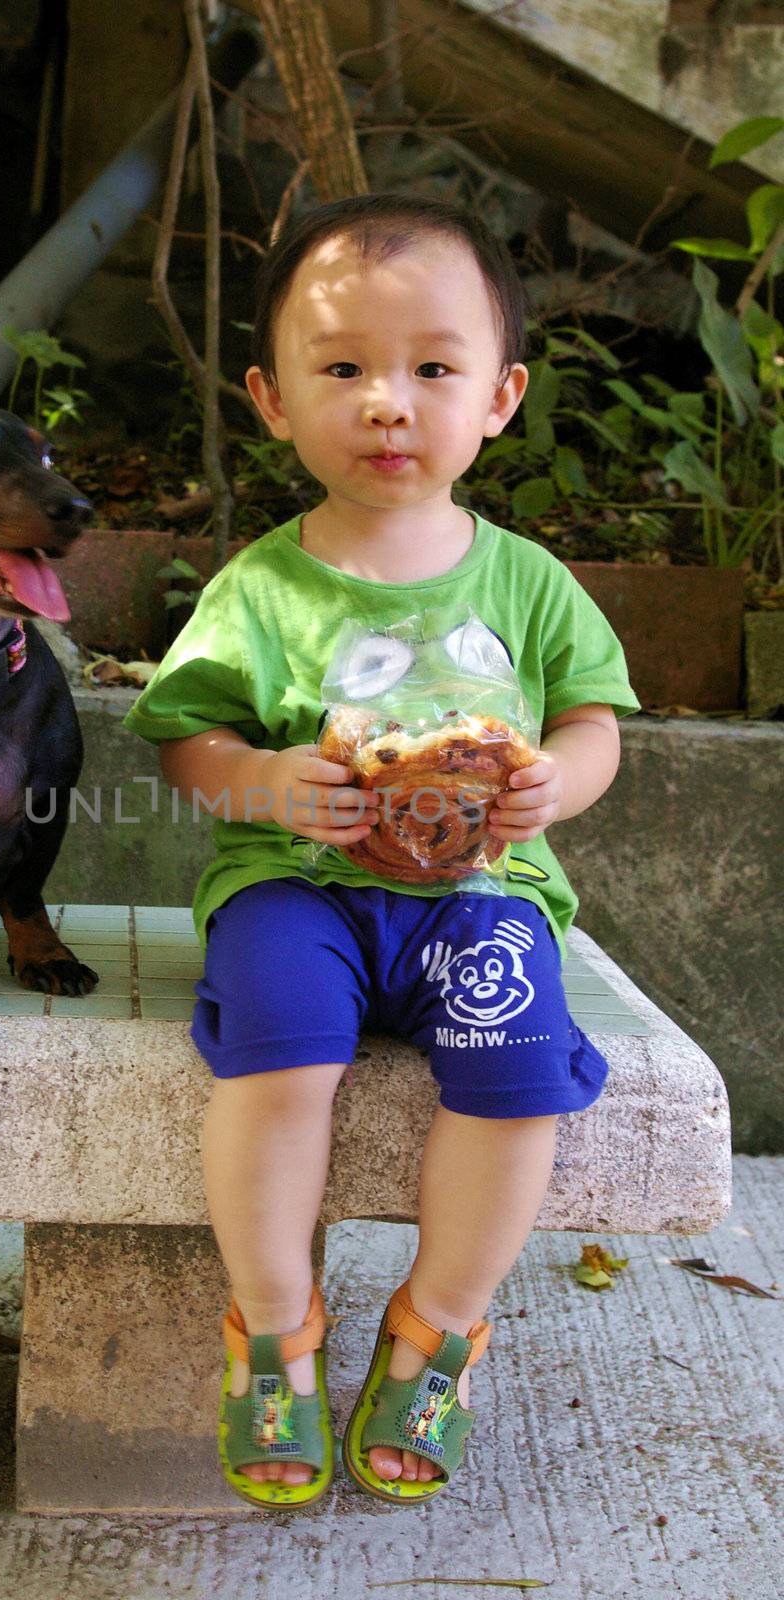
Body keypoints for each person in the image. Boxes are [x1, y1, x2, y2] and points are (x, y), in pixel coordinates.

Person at [124, 193, 640, 1509]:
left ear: (501, 394)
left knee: (519, 1066)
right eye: (342, 368)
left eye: (432, 368)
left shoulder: (526, 582)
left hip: (480, 894)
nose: (388, 403)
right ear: (272, 397)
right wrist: (261, 781)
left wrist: (549, 786)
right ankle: (275, 1323)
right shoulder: (262, 587)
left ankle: (441, 1323)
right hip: (299, 888)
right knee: (283, 1048)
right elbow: (185, 741)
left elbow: (595, 725)